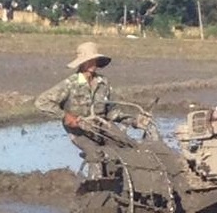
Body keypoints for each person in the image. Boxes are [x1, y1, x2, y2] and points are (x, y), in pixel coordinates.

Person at [34, 41, 151, 177]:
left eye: (94, 60)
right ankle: (95, 183)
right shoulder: (70, 84)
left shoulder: (103, 82)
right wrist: (66, 116)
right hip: (79, 131)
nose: (93, 64)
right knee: (95, 155)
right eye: (89, 60)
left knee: (128, 146)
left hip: (102, 126)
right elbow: (42, 102)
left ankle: (124, 178)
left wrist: (134, 121)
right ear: (82, 63)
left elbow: (112, 112)